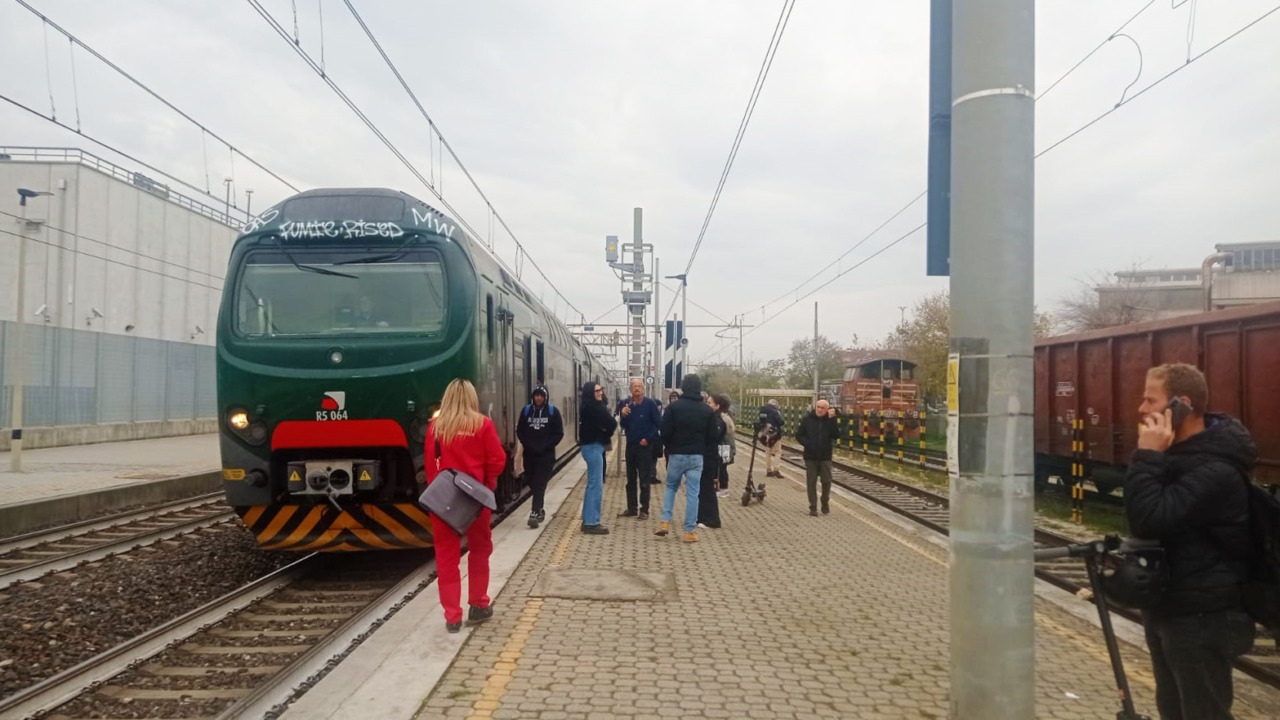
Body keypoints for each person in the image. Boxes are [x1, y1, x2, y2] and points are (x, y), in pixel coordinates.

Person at [1125, 363, 1255, 720]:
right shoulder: (1178, 457)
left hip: (1202, 616)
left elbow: (1147, 520)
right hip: (1170, 605)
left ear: (1181, 404)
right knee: (1172, 708)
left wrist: (1148, 456)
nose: (1141, 408)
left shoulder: (1215, 468)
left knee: (1202, 712)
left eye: (1150, 399)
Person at [425, 379, 506, 633]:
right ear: (472, 397)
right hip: (475, 501)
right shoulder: (482, 425)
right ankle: (478, 605)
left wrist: (440, 492)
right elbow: (498, 461)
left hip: (444, 502)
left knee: (446, 556)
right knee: (480, 549)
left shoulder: (436, 427)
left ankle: (452, 617)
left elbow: (430, 465)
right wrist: (486, 483)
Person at [656, 374, 717, 543]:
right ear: (699, 388)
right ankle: (690, 531)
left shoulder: (673, 408)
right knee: (693, 494)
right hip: (696, 457)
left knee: (671, 488)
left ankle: (665, 522)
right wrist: (703, 448)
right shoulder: (707, 410)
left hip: (676, 455)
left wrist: (669, 447)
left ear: (683, 387)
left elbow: (665, 431)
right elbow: (713, 436)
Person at [516, 385, 563, 529]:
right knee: (531, 481)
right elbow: (520, 430)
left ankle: (534, 512)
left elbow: (559, 433)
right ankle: (540, 510)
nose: (539, 398)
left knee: (539, 483)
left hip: (546, 455)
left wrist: (546, 445)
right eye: (536, 395)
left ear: (545, 397)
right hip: (530, 454)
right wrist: (528, 444)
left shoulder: (553, 412)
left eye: (541, 396)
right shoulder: (526, 411)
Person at [618, 378, 661, 520]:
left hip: (644, 447)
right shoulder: (626, 404)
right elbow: (623, 425)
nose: (637, 388)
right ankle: (632, 508)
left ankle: (644, 510)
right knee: (630, 479)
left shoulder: (650, 404)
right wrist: (623, 415)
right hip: (630, 446)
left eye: (639, 386)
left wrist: (648, 439)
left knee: (644, 479)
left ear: (643, 388)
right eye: (634, 386)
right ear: (630, 389)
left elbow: (658, 424)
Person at [578, 382, 616, 535]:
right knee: (595, 485)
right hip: (594, 447)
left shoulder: (587, 407)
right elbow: (611, 423)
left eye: (601, 390)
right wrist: (606, 434)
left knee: (592, 484)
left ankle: (587, 519)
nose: (600, 393)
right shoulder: (596, 408)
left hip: (590, 447)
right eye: (597, 391)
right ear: (590, 393)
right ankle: (592, 522)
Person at [795, 399, 839, 516]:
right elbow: (799, 435)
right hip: (810, 456)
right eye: (818, 407)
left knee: (826, 481)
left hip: (825, 456)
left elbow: (836, 435)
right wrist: (808, 444)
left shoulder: (829, 420)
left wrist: (832, 420)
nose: (819, 410)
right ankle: (813, 506)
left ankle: (824, 501)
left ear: (827, 409)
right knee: (811, 482)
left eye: (822, 408)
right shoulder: (807, 419)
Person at [697, 394, 727, 529]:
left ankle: (712, 519)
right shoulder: (711, 418)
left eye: (709, 403)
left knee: (708, 488)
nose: (706, 405)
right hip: (706, 456)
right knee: (703, 488)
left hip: (710, 457)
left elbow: (714, 437)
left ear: (717, 406)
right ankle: (702, 516)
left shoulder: (717, 421)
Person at [757, 399, 784, 477]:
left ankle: (768, 470)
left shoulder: (762, 410)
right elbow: (781, 422)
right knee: (778, 452)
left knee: (768, 451)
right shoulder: (774, 411)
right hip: (775, 434)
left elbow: (761, 420)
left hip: (765, 434)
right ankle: (776, 469)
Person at [715, 394, 736, 497]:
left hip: (725, 445)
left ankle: (724, 489)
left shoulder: (724, 417)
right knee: (721, 467)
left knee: (722, 468)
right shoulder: (727, 415)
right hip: (726, 445)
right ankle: (721, 487)